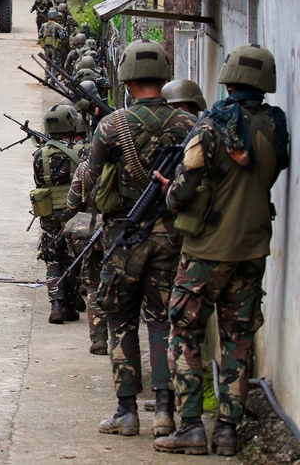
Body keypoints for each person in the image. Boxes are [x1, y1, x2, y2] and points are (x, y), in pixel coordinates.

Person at [153, 45, 290, 457]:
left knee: (184, 333)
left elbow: (181, 192)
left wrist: (169, 189)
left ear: (228, 79)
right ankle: (228, 432)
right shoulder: (276, 125)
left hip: (207, 251)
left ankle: (192, 426)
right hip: (253, 248)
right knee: (238, 338)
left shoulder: (212, 126)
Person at [79, 39, 196, 439]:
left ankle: (127, 413)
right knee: (162, 322)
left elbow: (87, 181)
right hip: (172, 237)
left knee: (122, 322)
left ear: (127, 80)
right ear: (164, 76)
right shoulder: (188, 125)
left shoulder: (113, 126)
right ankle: (166, 414)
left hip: (123, 236)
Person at [30, 104, 87, 323]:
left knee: (53, 257)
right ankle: (70, 306)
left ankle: (55, 304)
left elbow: (38, 182)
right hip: (76, 213)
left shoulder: (39, 154)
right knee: (73, 258)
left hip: (50, 213)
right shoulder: (82, 151)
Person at [66, 155, 109, 355]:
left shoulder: (85, 169)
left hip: (93, 232)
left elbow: (72, 204)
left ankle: (99, 339)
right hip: (125, 233)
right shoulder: (136, 164)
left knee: (93, 285)